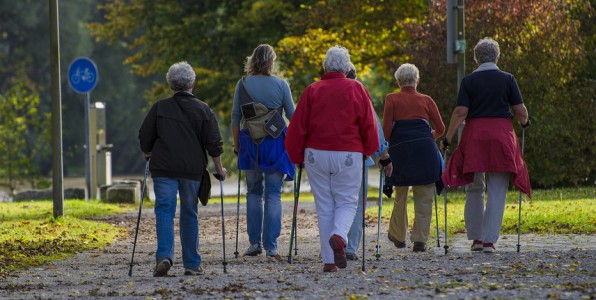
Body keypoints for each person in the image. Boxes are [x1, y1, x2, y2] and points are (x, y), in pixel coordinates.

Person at [285, 46, 379, 272]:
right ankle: (339, 236)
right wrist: (368, 149)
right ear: (347, 68)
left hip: (316, 153)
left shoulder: (312, 90)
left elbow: (298, 127)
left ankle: (329, 261)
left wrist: (297, 156)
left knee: (324, 205)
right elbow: (369, 124)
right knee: (347, 201)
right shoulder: (357, 88)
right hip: (348, 152)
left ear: (325, 67)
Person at [441, 38, 531, 253]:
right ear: (497, 56)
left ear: (476, 58)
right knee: (497, 188)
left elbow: (460, 112)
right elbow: (519, 110)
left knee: (474, 187)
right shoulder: (508, 79)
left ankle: (476, 239)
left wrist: (448, 137)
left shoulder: (469, 81)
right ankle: (490, 241)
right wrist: (525, 122)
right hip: (501, 136)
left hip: (475, 136)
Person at [139, 61, 227, 277]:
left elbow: (144, 135)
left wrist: (148, 152)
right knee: (189, 213)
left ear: (171, 85)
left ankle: (165, 257)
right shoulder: (204, 109)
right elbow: (214, 142)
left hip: (164, 169)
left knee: (164, 211)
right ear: (192, 84)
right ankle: (192, 263)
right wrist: (220, 169)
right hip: (191, 170)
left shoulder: (160, 107)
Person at [231, 44, 295, 258]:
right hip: (275, 143)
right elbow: (292, 117)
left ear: (252, 60)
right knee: (273, 194)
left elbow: (235, 117)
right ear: (271, 62)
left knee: (253, 192)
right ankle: (272, 246)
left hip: (250, 142)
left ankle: (254, 243)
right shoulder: (281, 84)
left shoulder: (242, 84)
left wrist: (236, 145)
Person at [382, 63, 445, 253]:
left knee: (401, 195)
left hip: (401, 152)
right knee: (424, 196)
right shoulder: (427, 100)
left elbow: (386, 133)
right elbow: (441, 129)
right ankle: (420, 241)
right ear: (417, 81)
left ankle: (399, 236)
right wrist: (426, 138)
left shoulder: (391, 99)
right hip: (425, 152)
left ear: (398, 81)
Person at [344, 63, 393, 261]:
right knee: (356, 203)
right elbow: (374, 129)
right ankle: (350, 247)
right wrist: (384, 157)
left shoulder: (323, 93)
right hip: (358, 157)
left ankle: (335, 241)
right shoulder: (360, 94)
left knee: (335, 202)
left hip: (328, 157)